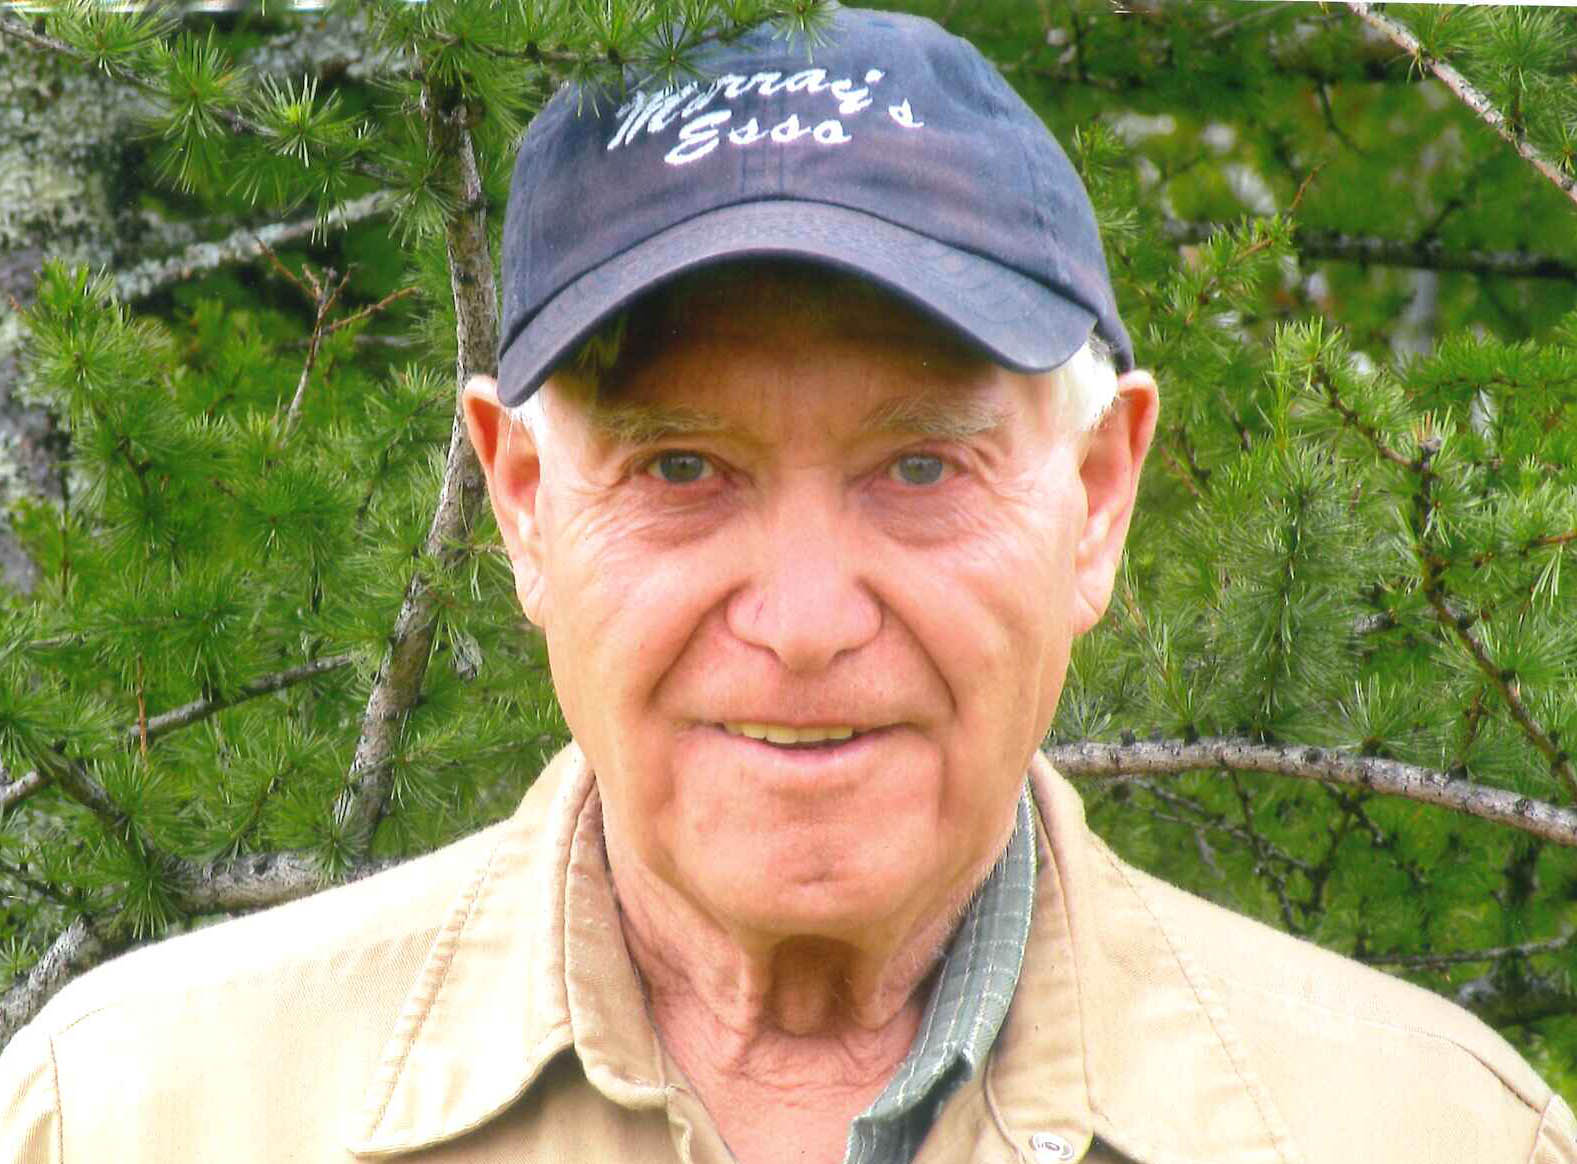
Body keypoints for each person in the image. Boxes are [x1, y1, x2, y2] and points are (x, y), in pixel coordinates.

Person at [1, 6, 1573, 1163]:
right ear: (525, 505)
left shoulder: (1432, 1137)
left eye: (921, 469)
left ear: (1094, 498)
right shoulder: (135, 1116)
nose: (807, 623)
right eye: (682, 468)